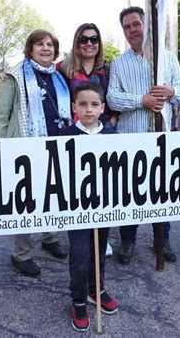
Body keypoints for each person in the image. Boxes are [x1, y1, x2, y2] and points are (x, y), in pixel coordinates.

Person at [107, 6, 180, 265]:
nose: (132, 30)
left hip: (161, 139)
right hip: (129, 137)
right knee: (129, 192)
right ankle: (128, 240)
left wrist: (171, 92)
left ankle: (161, 240)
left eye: (136, 24)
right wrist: (141, 100)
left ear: (147, 25)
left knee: (160, 192)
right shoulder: (119, 63)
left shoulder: (167, 58)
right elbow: (111, 98)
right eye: (127, 27)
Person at [0, 30, 69, 277]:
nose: (46, 48)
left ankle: (49, 238)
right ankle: (21, 254)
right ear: (30, 48)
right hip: (24, 148)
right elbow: (1, 116)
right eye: (40, 44)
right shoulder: (14, 77)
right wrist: (4, 151)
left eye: (50, 45)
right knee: (26, 201)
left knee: (52, 195)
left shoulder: (58, 77)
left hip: (55, 144)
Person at [59, 82, 118, 332]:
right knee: (80, 256)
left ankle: (97, 289)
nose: (89, 110)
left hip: (103, 208)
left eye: (94, 104)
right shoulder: (64, 136)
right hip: (76, 211)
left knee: (99, 252)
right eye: (82, 104)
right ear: (74, 107)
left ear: (102, 107)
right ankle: (79, 299)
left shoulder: (112, 136)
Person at [57, 23, 117, 129]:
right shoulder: (62, 69)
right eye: (83, 40)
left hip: (102, 130)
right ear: (77, 43)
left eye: (94, 39)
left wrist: (113, 121)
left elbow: (115, 97)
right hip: (72, 130)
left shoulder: (107, 71)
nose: (89, 43)